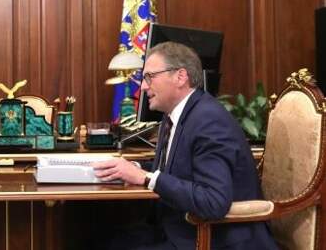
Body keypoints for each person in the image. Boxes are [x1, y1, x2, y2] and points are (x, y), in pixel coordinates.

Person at [93, 42, 277, 250]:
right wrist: (134, 168)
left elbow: (213, 202)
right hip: (179, 227)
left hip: (213, 239)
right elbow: (177, 170)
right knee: (98, 237)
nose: (143, 87)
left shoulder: (208, 120)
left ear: (180, 77)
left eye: (150, 77)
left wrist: (146, 178)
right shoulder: (176, 114)